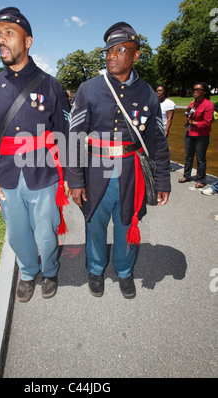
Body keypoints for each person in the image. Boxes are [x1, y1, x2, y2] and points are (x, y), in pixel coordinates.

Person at [67, 22, 171, 299]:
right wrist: (75, 180)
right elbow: (75, 136)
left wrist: (162, 181)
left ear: (136, 55)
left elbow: (157, 141)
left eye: (120, 49)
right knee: (95, 225)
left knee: (127, 223)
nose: (112, 55)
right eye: (108, 51)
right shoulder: (89, 89)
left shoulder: (148, 93)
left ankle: (125, 271)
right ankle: (96, 269)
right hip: (95, 170)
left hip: (130, 171)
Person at [0, 7, 70, 303]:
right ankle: (28, 273)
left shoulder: (51, 85)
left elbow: (65, 134)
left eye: (9, 33)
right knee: (17, 234)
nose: (2, 40)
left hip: (44, 173)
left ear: (28, 41)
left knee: (46, 232)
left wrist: (70, 175)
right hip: (6, 177)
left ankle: (51, 269)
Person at [178, 83, 214, 188]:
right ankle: (186, 175)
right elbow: (189, 112)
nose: (195, 91)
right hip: (190, 132)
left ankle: (201, 179)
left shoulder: (208, 104)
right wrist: (189, 112)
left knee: (200, 158)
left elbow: (207, 123)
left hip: (201, 135)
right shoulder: (194, 102)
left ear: (205, 92)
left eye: (199, 89)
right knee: (188, 156)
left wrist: (192, 122)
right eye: (194, 89)